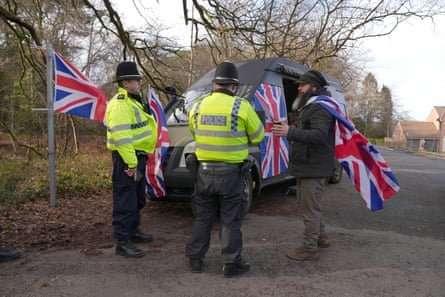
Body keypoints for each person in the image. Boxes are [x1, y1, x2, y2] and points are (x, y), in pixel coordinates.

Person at [185, 61, 265, 277]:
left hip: (203, 172)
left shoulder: (198, 107)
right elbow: (258, 136)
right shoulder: (241, 107)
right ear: (234, 86)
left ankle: (195, 258)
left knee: (203, 218)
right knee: (230, 220)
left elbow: (195, 133)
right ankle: (231, 263)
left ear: (214, 84)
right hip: (231, 175)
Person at [271, 69, 335, 261]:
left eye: (302, 85)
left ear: (313, 87)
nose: (299, 88)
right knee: (311, 206)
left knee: (309, 209)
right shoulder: (313, 105)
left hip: (313, 167)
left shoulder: (320, 107)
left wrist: (290, 133)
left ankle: (309, 249)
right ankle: (321, 237)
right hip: (309, 165)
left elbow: (319, 135)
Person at [105, 61, 158, 258]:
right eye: (136, 80)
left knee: (137, 199)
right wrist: (131, 163)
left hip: (137, 156)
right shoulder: (120, 104)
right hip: (128, 159)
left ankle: (133, 231)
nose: (139, 82)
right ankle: (122, 241)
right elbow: (122, 137)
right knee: (125, 200)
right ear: (125, 83)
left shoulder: (133, 101)